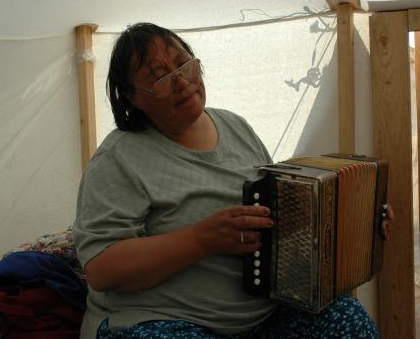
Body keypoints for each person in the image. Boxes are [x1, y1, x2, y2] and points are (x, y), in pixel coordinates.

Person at [73, 23, 393, 339]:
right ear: (133, 97)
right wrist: (201, 239)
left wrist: (355, 222)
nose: (182, 81)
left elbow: (277, 218)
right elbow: (101, 269)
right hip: (158, 320)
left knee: (349, 320)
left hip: (263, 315)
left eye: (184, 64)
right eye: (160, 77)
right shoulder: (118, 159)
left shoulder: (235, 126)